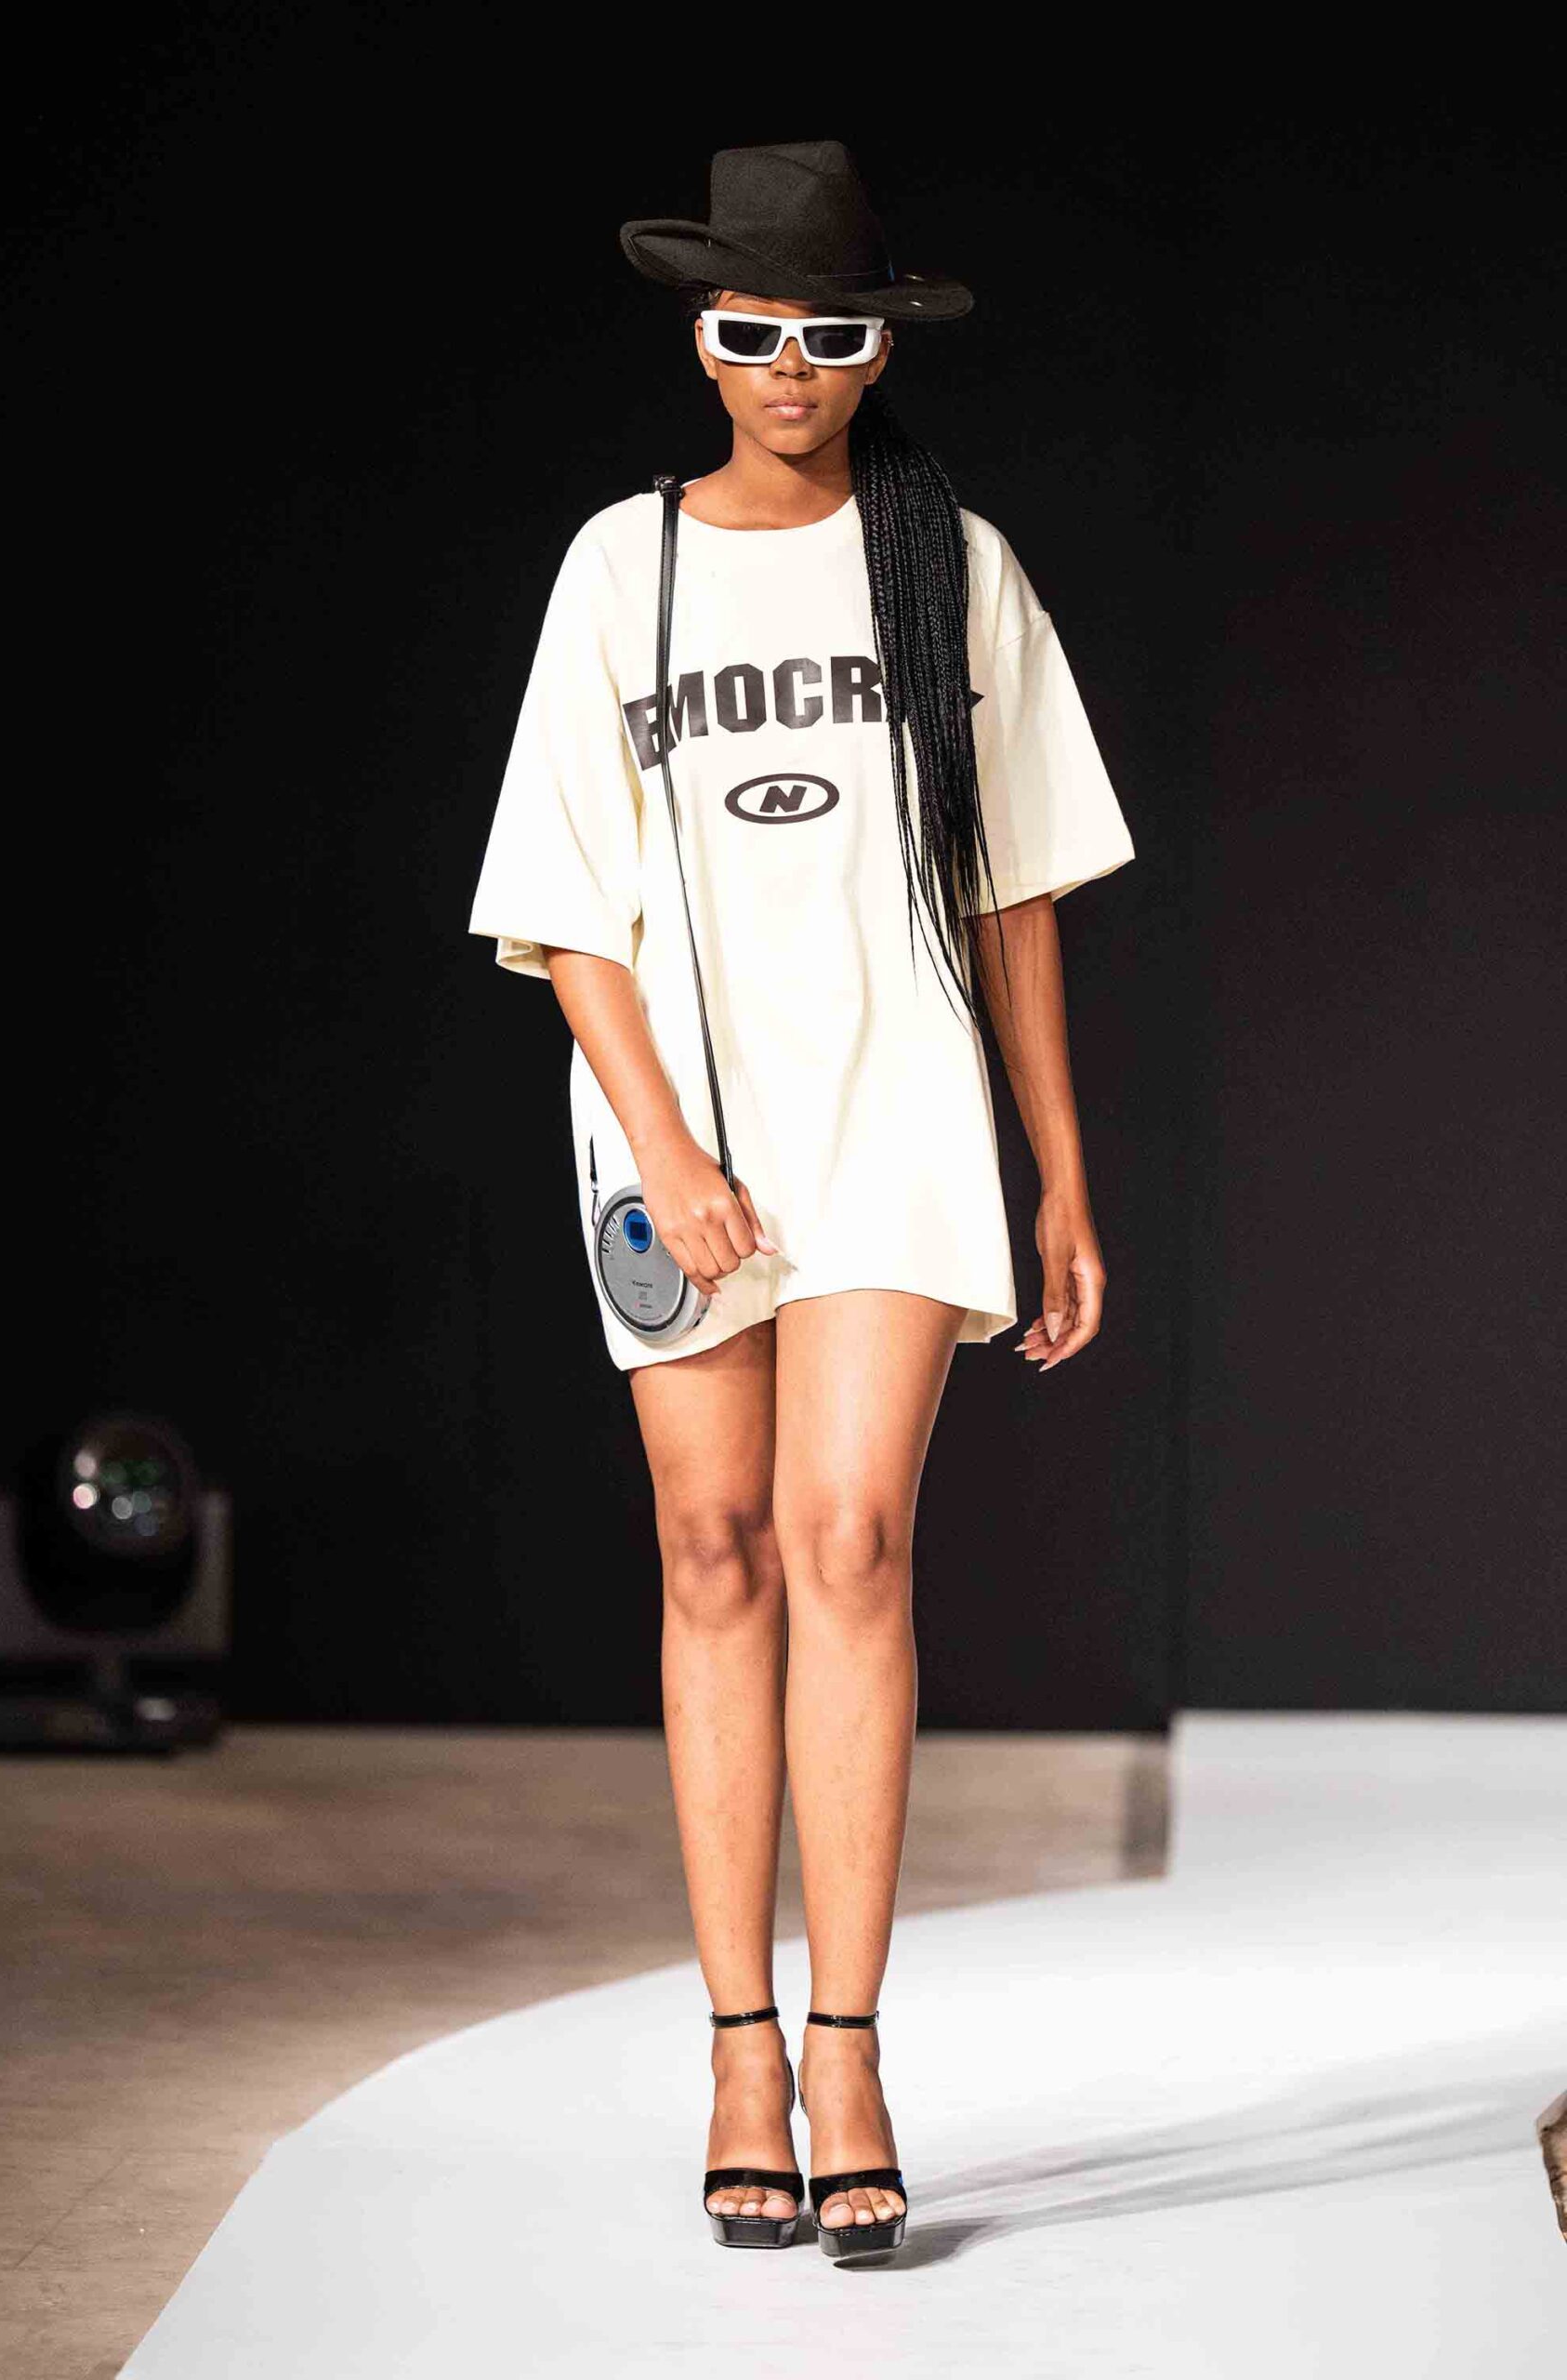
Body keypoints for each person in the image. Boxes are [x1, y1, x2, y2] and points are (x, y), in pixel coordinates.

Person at [468, 140, 1134, 2262]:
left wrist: (1060, 1172)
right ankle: (735, 2052)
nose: (786, 366)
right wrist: (665, 1151)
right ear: (700, 337)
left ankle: (845, 2048)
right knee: (712, 1548)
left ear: (876, 350)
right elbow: (566, 905)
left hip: (898, 1106)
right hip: (677, 1129)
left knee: (849, 1538)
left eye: (825, 332)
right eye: (750, 329)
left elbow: (1014, 887)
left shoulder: (952, 564)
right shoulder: (621, 565)